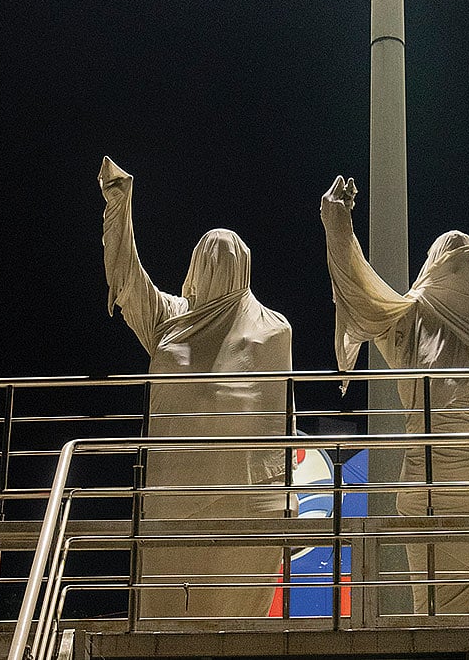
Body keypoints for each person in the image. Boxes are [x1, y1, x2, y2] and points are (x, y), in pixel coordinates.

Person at [320, 175, 469, 614]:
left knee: (438, 622)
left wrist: (338, 226)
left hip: (435, 493)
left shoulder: (411, 322)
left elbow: (361, 296)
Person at [99, 156, 294, 619]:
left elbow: (280, 425)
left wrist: (119, 206)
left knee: (192, 633)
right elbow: (285, 431)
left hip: (218, 513)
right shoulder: (178, 319)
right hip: (225, 510)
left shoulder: (180, 322)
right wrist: (119, 207)